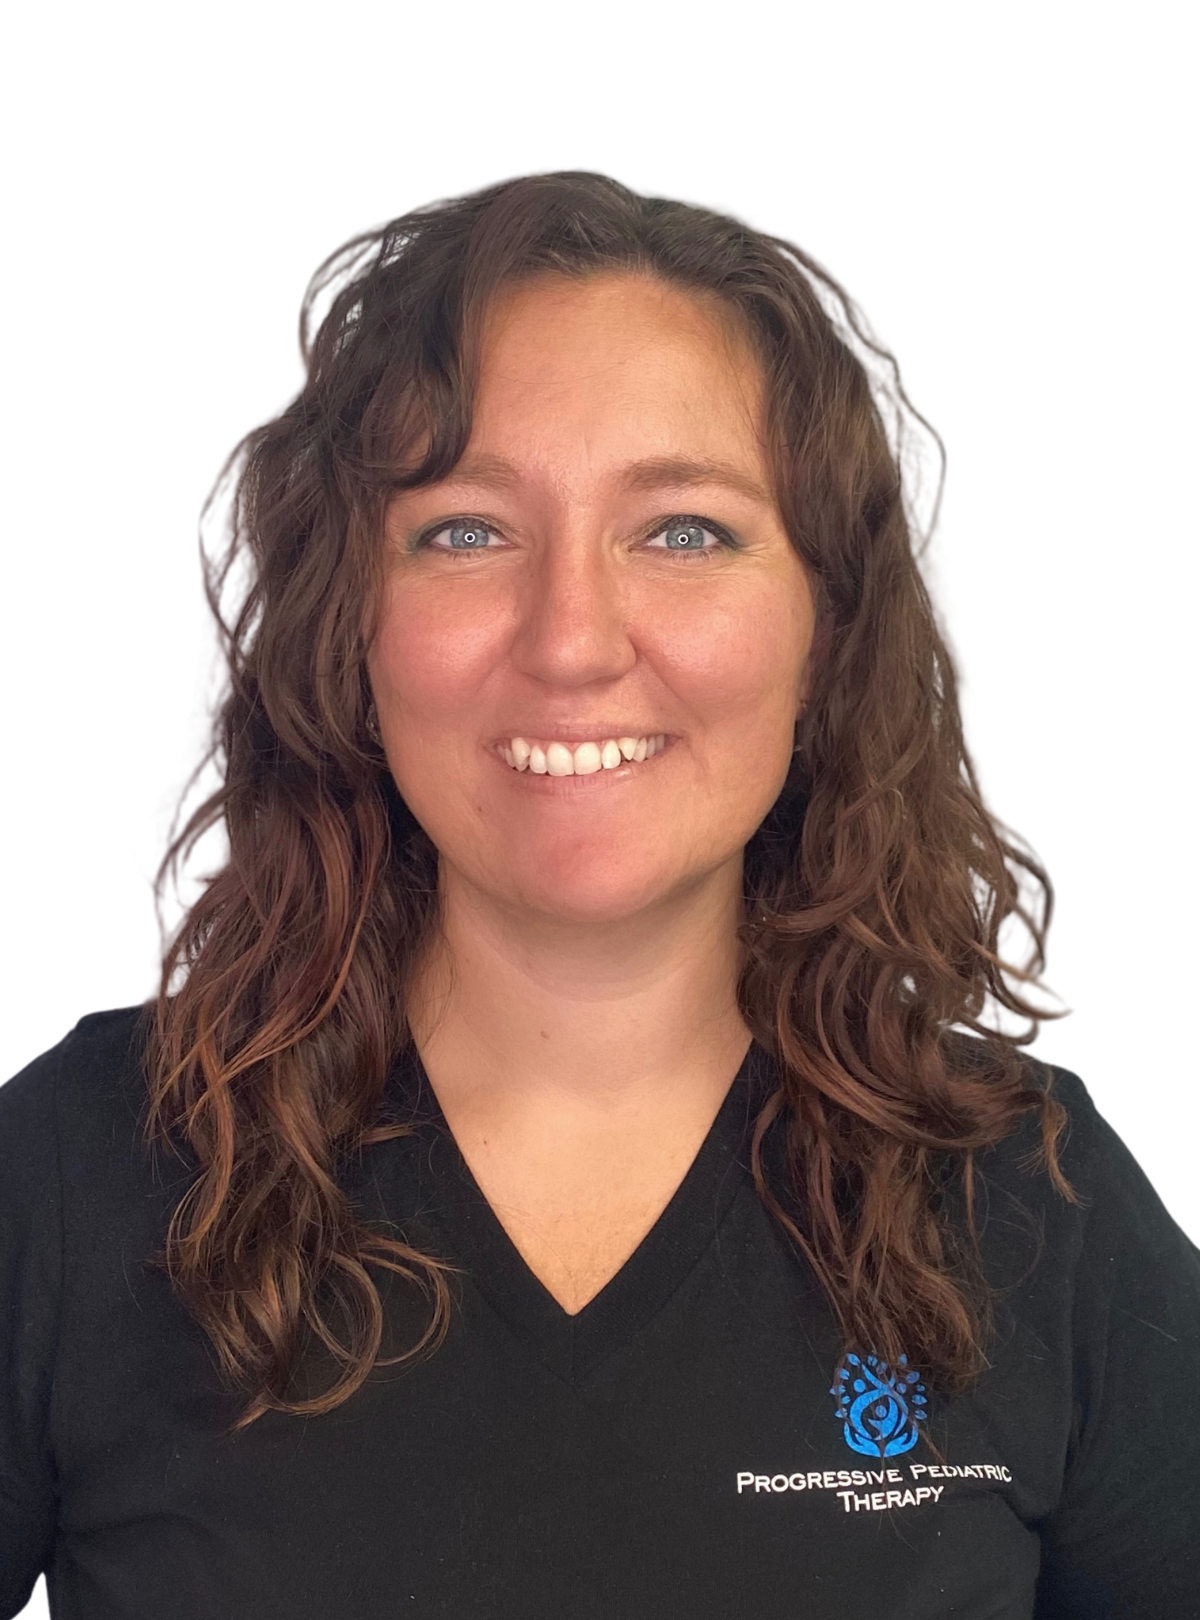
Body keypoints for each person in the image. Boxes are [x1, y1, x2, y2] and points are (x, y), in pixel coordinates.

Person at [1, 171, 1196, 1620]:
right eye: (465, 530)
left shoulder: (1030, 1204)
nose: (571, 640)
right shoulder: (83, 1172)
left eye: (683, 529)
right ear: (348, 632)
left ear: (829, 628)